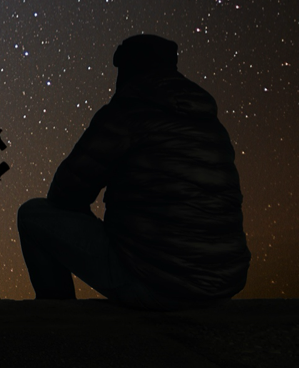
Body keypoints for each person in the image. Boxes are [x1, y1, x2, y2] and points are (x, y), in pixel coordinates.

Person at [18, 34, 250, 309]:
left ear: (128, 67)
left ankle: (57, 321)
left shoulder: (127, 113)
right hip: (221, 283)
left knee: (33, 215)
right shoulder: (210, 124)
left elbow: (64, 193)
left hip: (157, 284)